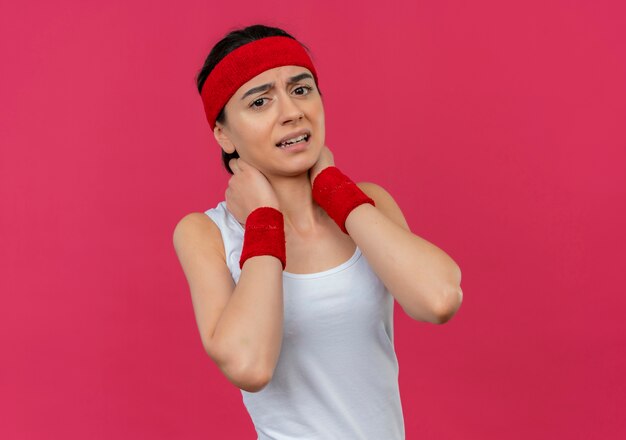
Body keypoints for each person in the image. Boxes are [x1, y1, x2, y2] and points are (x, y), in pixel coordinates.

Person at [173, 24, 463, 439]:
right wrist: (264, 220)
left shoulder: (367, 204)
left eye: (301, 89)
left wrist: (335, 191)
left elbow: (439, 299)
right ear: (223, 134)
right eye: (259, 102)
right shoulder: (207, 233)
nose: (291, 111)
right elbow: (249, 365)